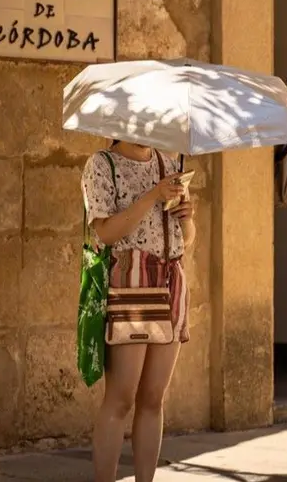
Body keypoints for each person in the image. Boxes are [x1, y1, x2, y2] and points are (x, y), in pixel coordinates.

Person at [81, 140, 196, 482]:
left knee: (153, 398)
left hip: (170, 283)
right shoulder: (102, 165)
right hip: (129, 284)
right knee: (121, 398)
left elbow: (185, 239)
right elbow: (105, 232)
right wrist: (152, 197)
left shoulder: (169, 161)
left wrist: (187, 217)